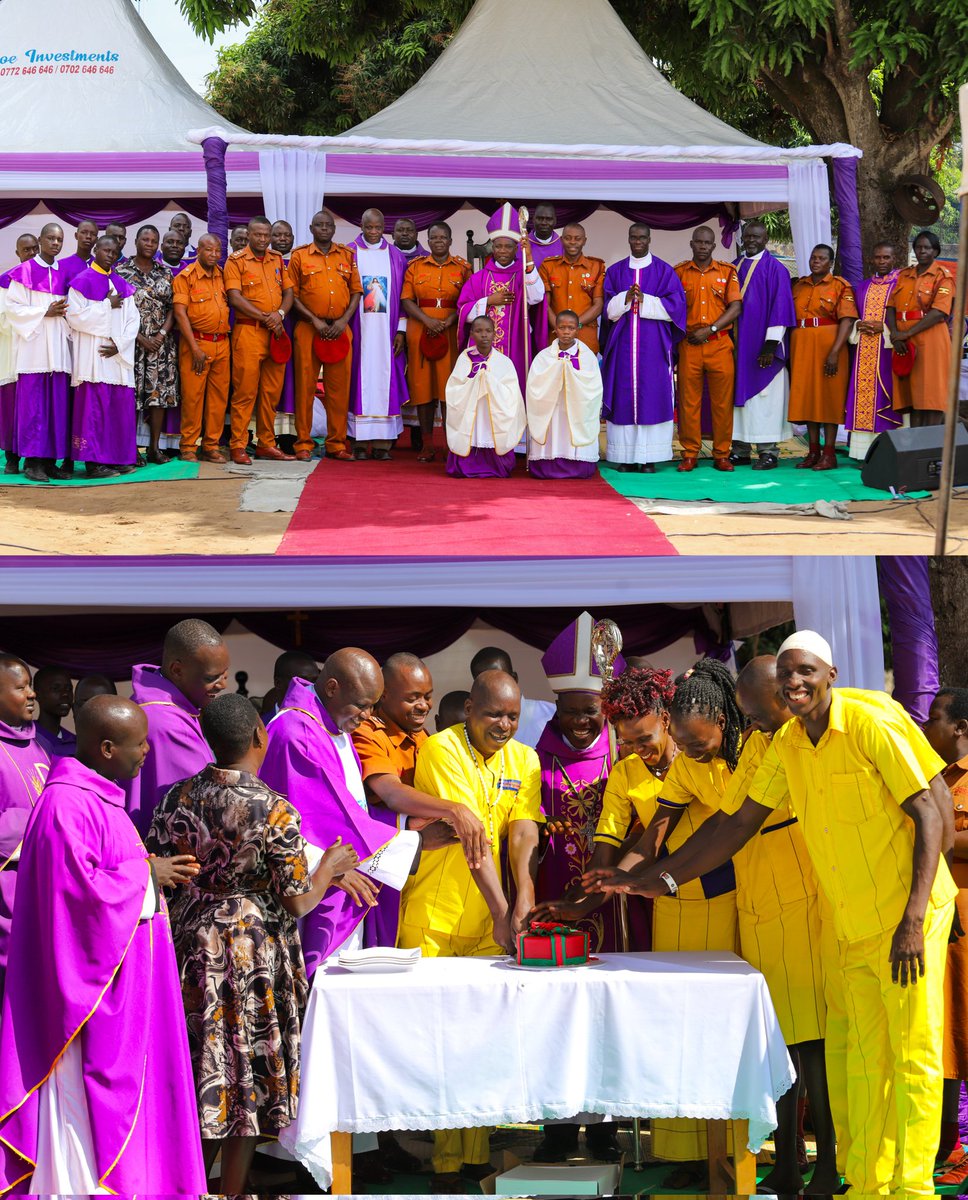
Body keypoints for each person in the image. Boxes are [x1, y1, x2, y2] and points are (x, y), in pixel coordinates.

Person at [586, 631, 957, 1196]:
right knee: (857, 1057)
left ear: (829, 673)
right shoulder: (783, 743)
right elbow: (734, 823)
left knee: (909, 1054)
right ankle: (867, 1182)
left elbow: (932, 811)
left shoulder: (870, 719)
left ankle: (909, 1188)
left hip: (906, 916)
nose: (793, 687)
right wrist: (653, 881)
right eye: (786, 677)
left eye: (804, 673)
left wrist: (914, 918)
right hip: (847, 920)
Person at [147, 692, 358, 1194]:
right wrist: (329, 867)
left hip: (191, 947)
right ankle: (231, 1191)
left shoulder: (175, 799)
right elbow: (298, 901)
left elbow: (159, 871)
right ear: (261, 736)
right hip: (251, 953)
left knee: (203, 1067)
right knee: (245, 1079)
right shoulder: (273, 809)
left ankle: (189, 1186)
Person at [0, 696, 205, 1194]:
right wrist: (147, 874)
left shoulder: (98, 795)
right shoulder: (66, 804)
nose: (147, 751)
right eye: (139, 744)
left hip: (126, 986)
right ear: (107, 747)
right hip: (87, 1009)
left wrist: (143, 872)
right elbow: (76, 899)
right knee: (84, 1119)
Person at [401, 669, 543, 1190]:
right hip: (434, 918)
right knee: (439, 1040)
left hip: (488, 921)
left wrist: (524, 894)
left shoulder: (525, 759)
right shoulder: (441, 750)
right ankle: (443, 1164)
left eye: (512, 716)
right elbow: (472, 837)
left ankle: (476, 1155)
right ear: (468, 711)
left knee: (482, 1039)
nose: (503, 725)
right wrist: (506, 910)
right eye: (493, 714)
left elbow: (522, 831)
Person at [260, 648, 454, 974]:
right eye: (362, 705)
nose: (367, 716)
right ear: (332, 688)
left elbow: (354, 809)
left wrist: (407, 824)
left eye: (372, 706)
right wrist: (415, 843)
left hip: (343, 878)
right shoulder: (297, 733)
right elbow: (314, 823)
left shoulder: (333, 724)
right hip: (316, 887)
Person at [353, 652, 490, 933]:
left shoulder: (423, 736)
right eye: (413, 697)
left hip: (428, 878)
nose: (423, 705)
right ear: (383, 694)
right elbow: (391, 793)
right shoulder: (367, 733)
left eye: (428, 696)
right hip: (380, 871)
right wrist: (454, 810)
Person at [125, 617, 228, 837]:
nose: (223, 685)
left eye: (225, 674)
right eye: (212, 677)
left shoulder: (168, 706)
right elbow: (200, 803)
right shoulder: (166, 724)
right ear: (177, 670)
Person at [923, 687, 968, 1186]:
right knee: (946, 1033)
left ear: (959, 727)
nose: (925, 725)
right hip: (941, 923)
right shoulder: (931, 776)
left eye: (934, 717)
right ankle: (945, 1143)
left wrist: (938, 833)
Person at [602, 223, 687, 472]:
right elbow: (607, 310)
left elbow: (677, 308)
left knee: (652, 395)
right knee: (623, 396)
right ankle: (625, 457)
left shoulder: (664, 271)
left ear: (649, 240)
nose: (638, 241)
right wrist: (625, 298)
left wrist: (645, 300)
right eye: (634, 237)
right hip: (623, 346)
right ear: (628, 239)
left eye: (642, 237)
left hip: (654, 346)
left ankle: (650, 457)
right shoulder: (615, 271)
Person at [288, 209, 363, 463]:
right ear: (311, 229)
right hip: (309, 328)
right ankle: (303, 443)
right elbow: (292, 295)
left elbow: (356, 291)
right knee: (305, 388)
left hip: (340, 329)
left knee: (338, 390)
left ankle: (336, 444)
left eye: (328, 225)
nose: (324, 229)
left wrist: (343, 321)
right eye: (319, 225)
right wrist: (314, 320)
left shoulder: (347, 255)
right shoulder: (299, 256)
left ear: (333, 229)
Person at [67, 234, 141, 479]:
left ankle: (118, 458)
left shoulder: (122, 284)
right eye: (106, 250)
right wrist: (107, 305)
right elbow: (75, 318)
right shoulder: (81, 281)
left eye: (114, 252)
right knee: (94, 410)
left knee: (118, 410)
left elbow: (133, 320)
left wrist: (119, 345)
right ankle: (93, 463)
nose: (110, 255)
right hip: (94, 356)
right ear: (96, 250)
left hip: (116, 357)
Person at [224, 215, 295, 465]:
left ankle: (266, 443)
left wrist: (280, 314)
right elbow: (235, 297)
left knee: (271, 392)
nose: (263, 239)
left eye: (267, 235)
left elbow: (289, 292)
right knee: (245, 392)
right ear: (249, 235)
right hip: (249, 332)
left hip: (275, 333)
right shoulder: (236, 261)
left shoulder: (277, 259)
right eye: (258, 235)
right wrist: (266, 318)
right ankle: (238, 445)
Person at [5, 221, 72, 482]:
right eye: (51, 238)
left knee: (56, 407)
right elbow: (13, 309)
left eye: (59, 239)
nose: (55, 243)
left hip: (58, 349)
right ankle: (33, 462)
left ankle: (50, 461)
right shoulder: (24, 271)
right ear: (41, 240)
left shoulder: (64, 272)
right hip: (34, 351)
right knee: (34, 408)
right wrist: (45, 311)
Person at [0, 655, 50, 1001]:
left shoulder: (38, 744)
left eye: (31, 686)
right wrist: (41, 823)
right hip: (9, 892)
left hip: (40, 884)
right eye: (21, 688)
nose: (32, 694)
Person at [674, 226, 743, 472]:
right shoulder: (679, 272)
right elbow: (671, 307)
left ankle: (722, 453)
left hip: (719, 343)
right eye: (699, 242)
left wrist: (711, 329)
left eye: (707, 243)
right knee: (688, 402)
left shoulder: (727, 271)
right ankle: (690, 453)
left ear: (714, 246)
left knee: (722, 403)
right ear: (692, 244)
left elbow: (735, 307)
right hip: (689, 345)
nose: (703, 246)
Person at [401, 221, 471, 461]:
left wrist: (450, 320)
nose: (439, 241)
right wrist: (427, 321)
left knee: (448, 388)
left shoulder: (463, 268)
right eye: (434, 238)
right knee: (423, 388)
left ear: (450, 241)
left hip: (450, 331)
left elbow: (468, 301)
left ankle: (451, 444)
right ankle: (427, 444)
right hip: (421, 329)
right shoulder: (415, 267)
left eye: (443, 237)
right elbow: (407, 300)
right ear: (428, 241)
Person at [457, 203, 546, 393]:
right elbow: (463, 311)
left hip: (516, 341)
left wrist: (529, 257)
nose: (503, 251)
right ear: (492, 248)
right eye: (498, 246)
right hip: (483, 344)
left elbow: (537, 297)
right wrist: (489, 301)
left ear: (516, 248)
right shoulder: (479, 278)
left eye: (508, 246)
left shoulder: (524, 274)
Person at [731, 220, 796, 471]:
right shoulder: (734, 266)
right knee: (738, 399)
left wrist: (770, 345)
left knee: (765, 399)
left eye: (756, 237)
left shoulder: (776, 269)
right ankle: (740, 450)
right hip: (738, 345)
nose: (751, 241)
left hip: (762, 345)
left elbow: (781, 307)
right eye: (747, 236)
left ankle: (768, 452)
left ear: (765, 239)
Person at [789, 244, 857, 470]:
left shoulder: (840, 286)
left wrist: (835, 352)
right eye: (813, 257)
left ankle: (829, 454)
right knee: (809, 398)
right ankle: (813, 451)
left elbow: (847, 321)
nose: (816, 261)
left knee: (829, 398)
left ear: (831, 263)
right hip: (802, 345)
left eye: (821, 258)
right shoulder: (799, 285)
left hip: (829, 346)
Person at [347, 208, 409, 459]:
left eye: (378, 227)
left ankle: (383, 444)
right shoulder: (349, 252)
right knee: (358, 381)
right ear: (361, 226)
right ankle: (359, 444)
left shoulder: (396, 256)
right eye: (369, 227)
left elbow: (405, 296)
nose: (373, 232)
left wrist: (401, 330)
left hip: (386, 329)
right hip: (358, 329)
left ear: (385, 228)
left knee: (385, 379)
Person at [116, 224, 179, 465]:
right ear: (136, 241)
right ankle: (130, 449)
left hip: (161, 346)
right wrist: (140, 338)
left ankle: (154, 448)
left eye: (154, 241)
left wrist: (161, 335)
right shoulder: (121, 272)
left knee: (158, 396)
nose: (149, 244)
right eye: (145, 239)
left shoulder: (165, 273)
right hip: (131, 343)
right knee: (131, 396)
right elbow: (117, 311)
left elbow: (173, 307)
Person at [173, 232, 231, 463]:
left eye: (217, 250)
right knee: (193, 398)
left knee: (218, 399)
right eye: (209, 250)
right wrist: (194, 348)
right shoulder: (186, 277)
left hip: (222, 343)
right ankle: (188, 446)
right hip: (196, 344)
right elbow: (180, 313)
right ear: (198, 251)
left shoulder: (223, 275)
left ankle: (211, 446)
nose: (214, 254)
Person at [445, 314, 527, 477]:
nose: (484, 335)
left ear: (494, 334)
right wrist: (475, 382)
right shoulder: (464, 359)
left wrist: (490, 382)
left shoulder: (503, 361)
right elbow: (454, 387)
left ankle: (495, 465)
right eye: (479, 331)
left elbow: (512, 392)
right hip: (472, 411)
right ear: (471, 334)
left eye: (488, 331)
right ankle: (467, 465)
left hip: (493, 414)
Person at [887, 229, 954, 427]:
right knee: (912, 397)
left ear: (936, 251)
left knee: (931, 395)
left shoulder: (943, 276)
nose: (922, 251)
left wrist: (906, 333)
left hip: (931, 339)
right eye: (918, 247)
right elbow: (890, 306)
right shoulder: (904, 275)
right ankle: (916, 442)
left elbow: (939, 312)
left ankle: (930, 443)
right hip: (903, 340)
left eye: (927, 247)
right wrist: (895, 335)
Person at [526, 309, 602, 478]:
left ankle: (578, 465)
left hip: (577, 408)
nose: (566, 332)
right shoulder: (544, 356)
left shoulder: (587, 357)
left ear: (578, 329)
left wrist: (571, 375)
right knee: (554, 431)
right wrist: (556, 373)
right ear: (555, 329)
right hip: (552, 409)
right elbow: (534, 385)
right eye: (562, 327)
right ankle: (547, 464)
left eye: (571, 328)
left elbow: (594, 386)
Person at [845, 241, 902, 460]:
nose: (882, 261)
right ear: (871, 259)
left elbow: (903, 317)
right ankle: (862, 454)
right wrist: (858, 325)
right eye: (878, 257)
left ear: (894, 259)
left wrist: (884, 328)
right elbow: (853, 314)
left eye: (886, 257)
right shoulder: (863, 286)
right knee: (862, 398)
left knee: (886, 398)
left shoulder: (900, 285)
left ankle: (886, 454)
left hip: (888, 351)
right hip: (863, 351)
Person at [0, 232, 39, 476]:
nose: (32, 253)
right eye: (26, 250)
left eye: (35, 248)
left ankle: (33, 457)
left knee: (33, 409)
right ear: (17, 253)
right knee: (11, 409)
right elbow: (4, 319)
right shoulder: (6, 281)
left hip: (36, 354)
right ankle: (12, 458)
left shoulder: (45, 278)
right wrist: (30, 318)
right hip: (11, 353)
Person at [470, 645, 555, 749]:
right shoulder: (473, 727)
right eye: (484, 683)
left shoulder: (551, 715)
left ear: (514, 678)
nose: (492, 687)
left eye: (499, 679)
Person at [538, 223, 605, 353]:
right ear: (561, 240)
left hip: (585, 336)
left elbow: (598, 305)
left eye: (577, 238)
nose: (572, 242)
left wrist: (574, 325)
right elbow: (545, 304)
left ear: (584, 241)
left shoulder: (596, 267)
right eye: (568, 238)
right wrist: (559, 328)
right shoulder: (548, 266)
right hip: (555, 336)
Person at [31, 664, 76, 758]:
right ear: (37, 695)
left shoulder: (74, 742)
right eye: (56, 689)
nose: (65, 694)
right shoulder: (27, 737)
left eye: (69, 689)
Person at [261, 649, 320, 718]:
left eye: (315, 681)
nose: (311, 688)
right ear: (278, 683)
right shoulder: (263, 724)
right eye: (302, 682)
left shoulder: (324, 722)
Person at [59, 219, 98, 286]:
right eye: (84, 232)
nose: (88, 236)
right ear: (76, 235)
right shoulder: (61, 265)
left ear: (96, 240)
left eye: (93, 234)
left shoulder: (100, 267)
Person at [528, 203, 563, 270]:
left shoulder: (563, 245)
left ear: (555, 221)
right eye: (540, 218)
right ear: (533, 219)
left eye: (548, 219)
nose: (544, 223)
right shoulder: (523, 245)